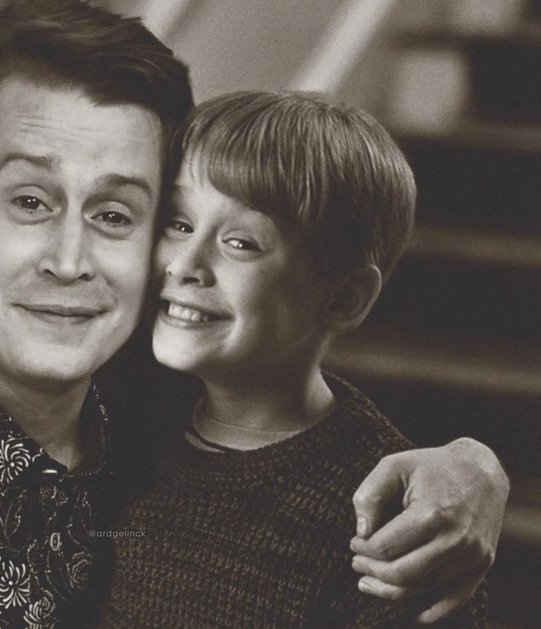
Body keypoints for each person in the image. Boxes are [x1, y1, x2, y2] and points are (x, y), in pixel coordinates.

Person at [0, 0, 507, 629]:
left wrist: (473, 465)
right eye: (30, 201)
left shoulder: (168, 415)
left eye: (116, 214)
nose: (69, 260)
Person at [98, 91, 488, 628]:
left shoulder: (385, 523)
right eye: (179, 223)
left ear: (344, 298)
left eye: (241, 243)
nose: (185, 264)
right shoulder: (116, 408)